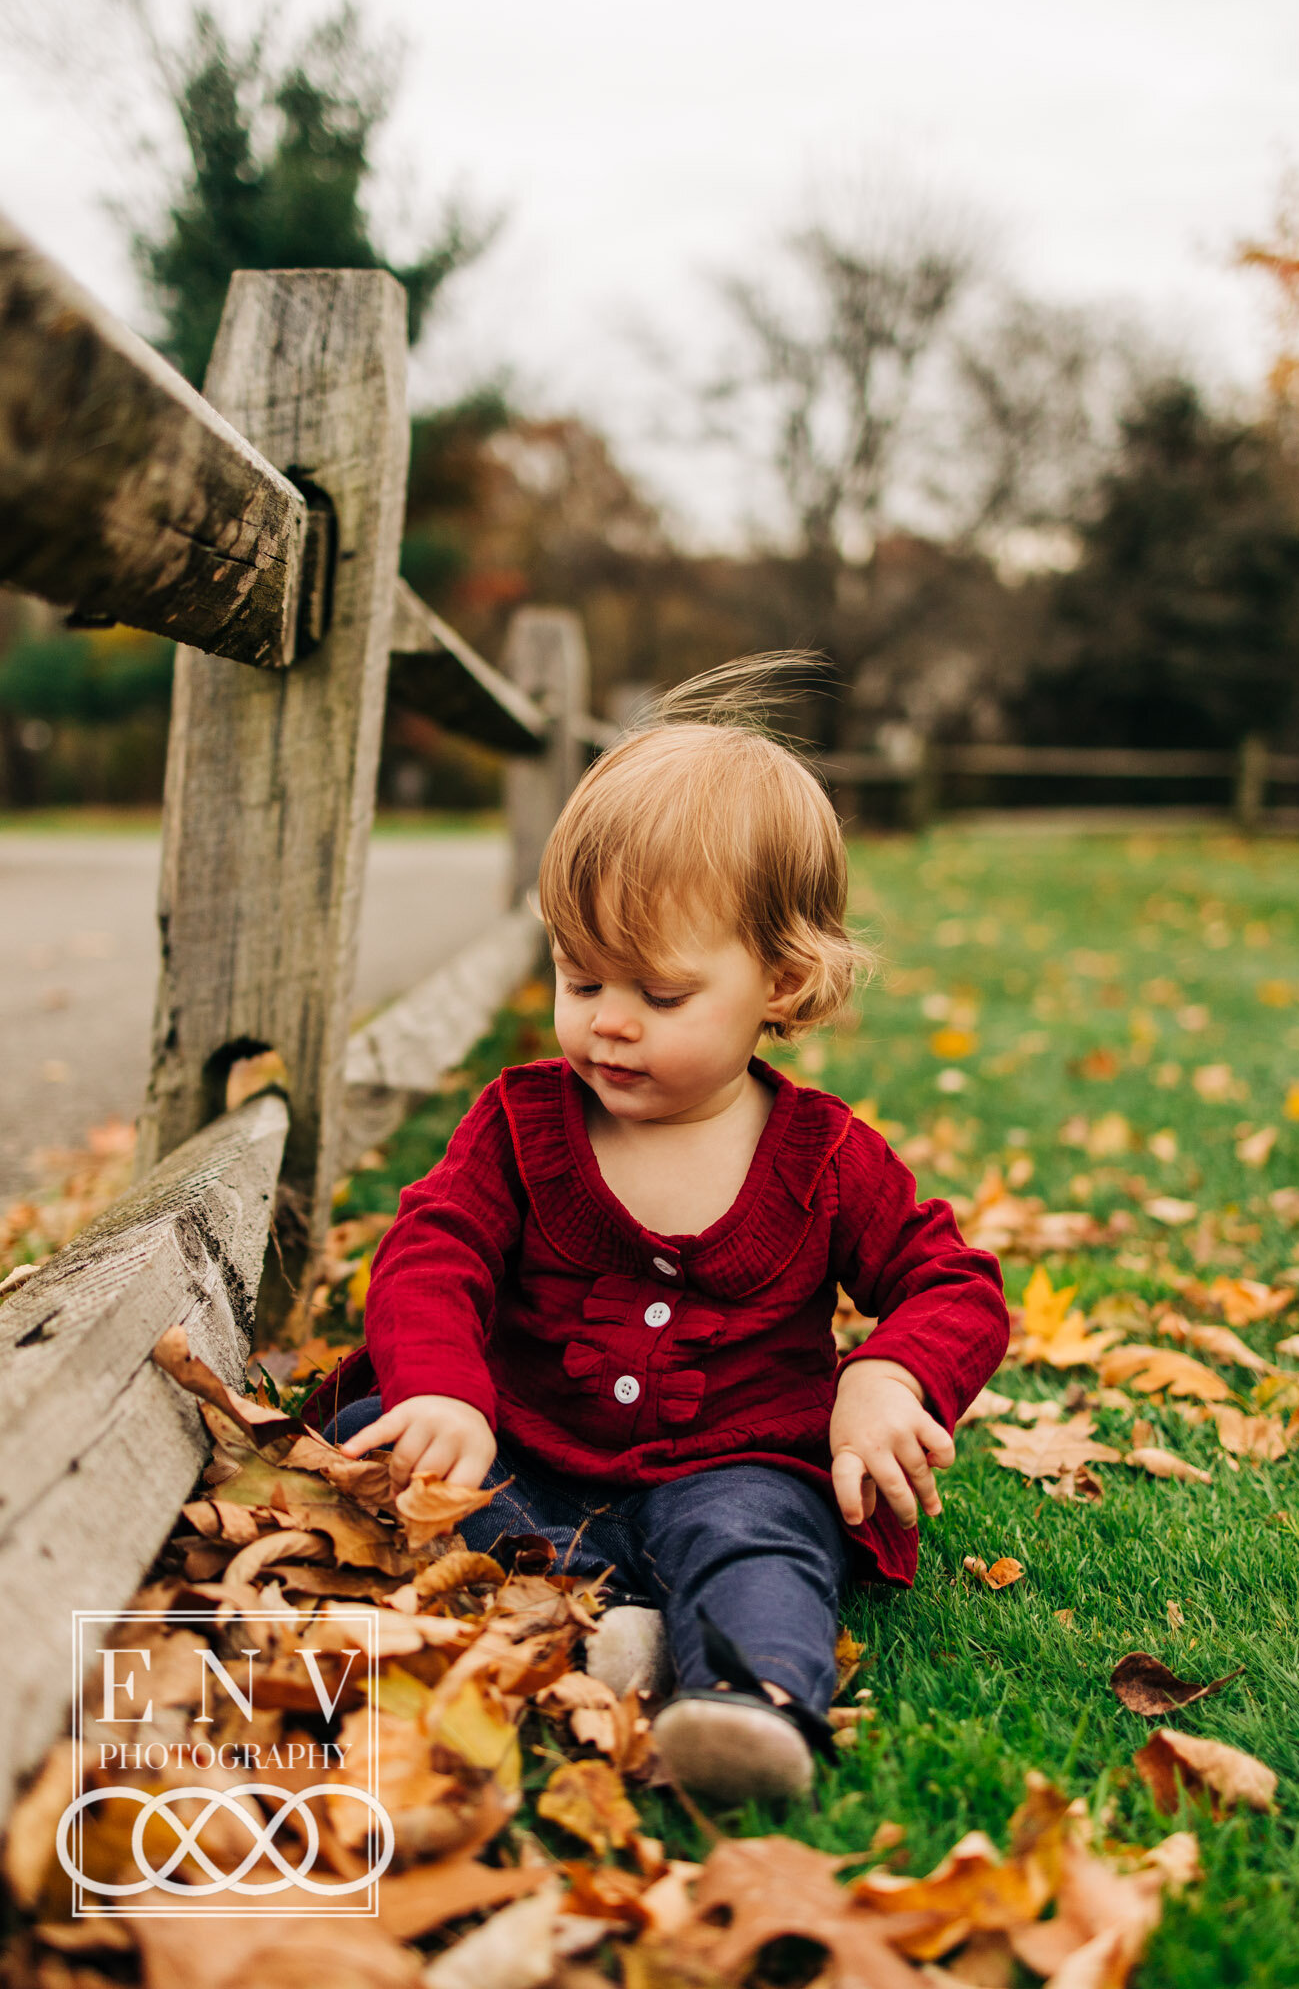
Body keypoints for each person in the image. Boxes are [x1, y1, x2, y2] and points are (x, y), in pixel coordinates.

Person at [300, 657, 1008, 1802]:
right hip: (525, 1450)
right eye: (580, 980)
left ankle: (742, 1702)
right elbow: (435, 1247)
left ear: (780, 979)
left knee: (763, 1544)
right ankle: (599, 1634)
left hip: (736, 1462)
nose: (608, 1024)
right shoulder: (524, 1123)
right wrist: (445, 1390)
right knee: (386, 1439)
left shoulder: (825, 1156)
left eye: (658, 995)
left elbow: (954, 1281)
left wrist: (889, 1377)